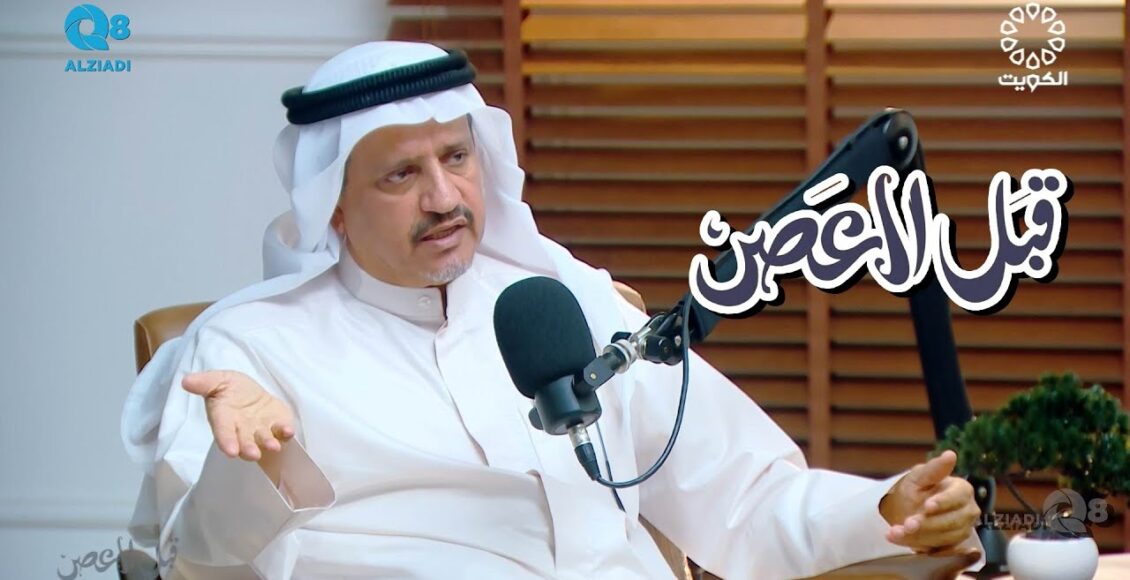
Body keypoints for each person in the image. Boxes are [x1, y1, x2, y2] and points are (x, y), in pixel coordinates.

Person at [120, 41, 980, 580]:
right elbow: (192, 564)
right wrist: (252, 463)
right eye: (401, 175)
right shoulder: (252, 347)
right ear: (333, 208)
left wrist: (885, 510)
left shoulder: (562, 303)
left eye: (456, 158)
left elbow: (744, 497)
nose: (443, 196)